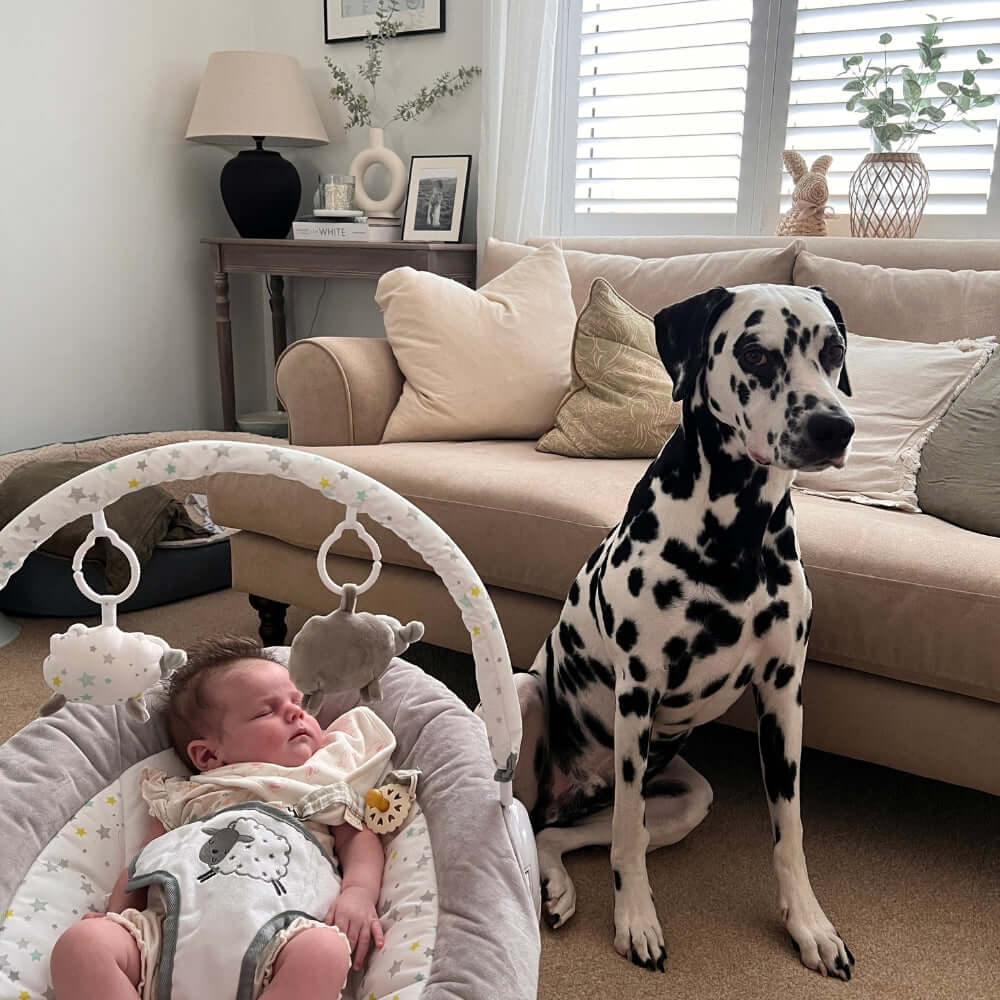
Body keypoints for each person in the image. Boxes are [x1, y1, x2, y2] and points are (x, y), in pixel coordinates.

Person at [51, 635, 391, 1000]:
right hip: (163, 943)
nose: (296, 713)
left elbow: (358, 838)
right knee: (82, 945)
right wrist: (115, 916)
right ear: (209, 757)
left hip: (279, 942)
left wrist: (358, 892)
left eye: (299, 702)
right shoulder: (188, 794)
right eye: (266, 711)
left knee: (324, 951)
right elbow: (143, 864)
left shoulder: (316, 785)